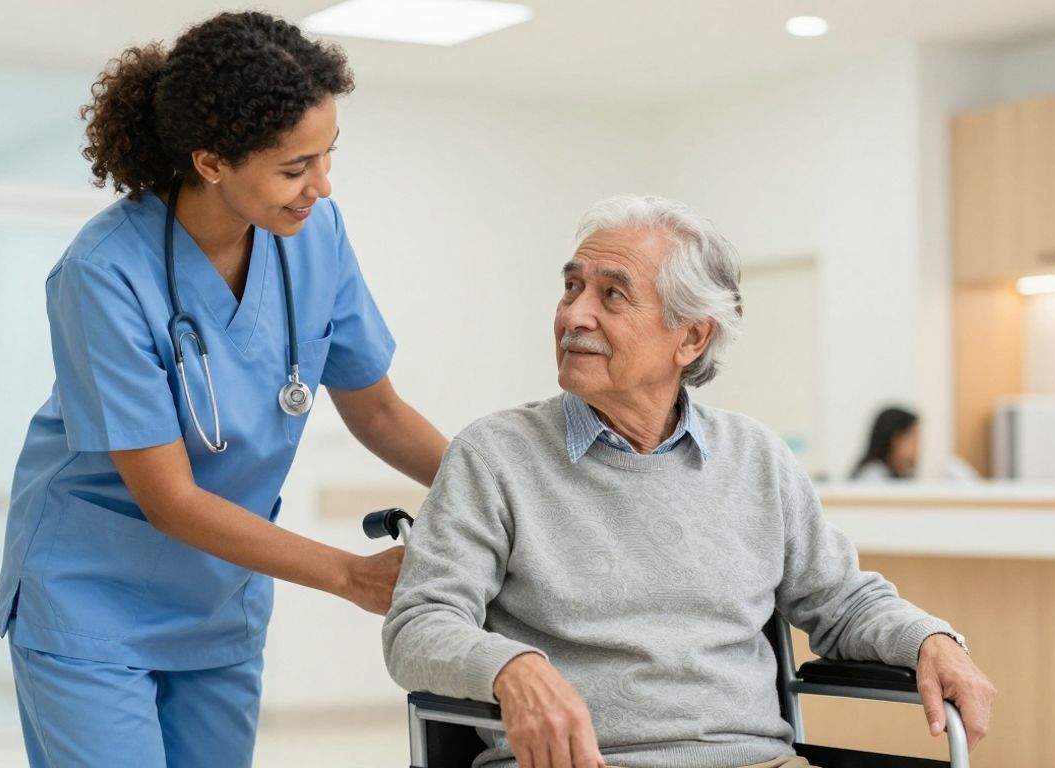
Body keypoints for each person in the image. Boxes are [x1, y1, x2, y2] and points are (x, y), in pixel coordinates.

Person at [383, 196, 995, 768]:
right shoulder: (494, 457)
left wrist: (929, 640)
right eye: (572, 286)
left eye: (612, 294)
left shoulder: (756, 458)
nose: (574, 314)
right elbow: (418, 625)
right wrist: (511, 667)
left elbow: (842, 602)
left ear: (692, 336)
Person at [0, 12, 447, 767]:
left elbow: (379, 409)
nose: (321, 187)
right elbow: (169, 498)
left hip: (217, 599)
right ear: (210, 162)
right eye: (295, 168)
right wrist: (349, 575)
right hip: (91, 598)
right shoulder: (104, 273)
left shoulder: (317, 237)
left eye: (328, 157)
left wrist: (501, 486)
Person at [851, 407, 920, 481]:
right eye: (914, 438)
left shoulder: (898, 476)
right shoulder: (873, 477)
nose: (918, 447)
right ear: (895, 440)